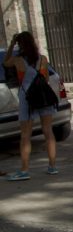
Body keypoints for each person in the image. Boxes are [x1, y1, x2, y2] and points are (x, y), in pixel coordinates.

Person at [3, 31, 58, 181]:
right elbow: (45, 79)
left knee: (25, 135)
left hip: (27, 97)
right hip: (43, 97)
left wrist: (11, 44)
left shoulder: (18, 60)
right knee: (48, 131)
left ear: (20, 44)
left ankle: (24, 170)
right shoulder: (43, 59)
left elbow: (5, 62)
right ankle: (52, 166)